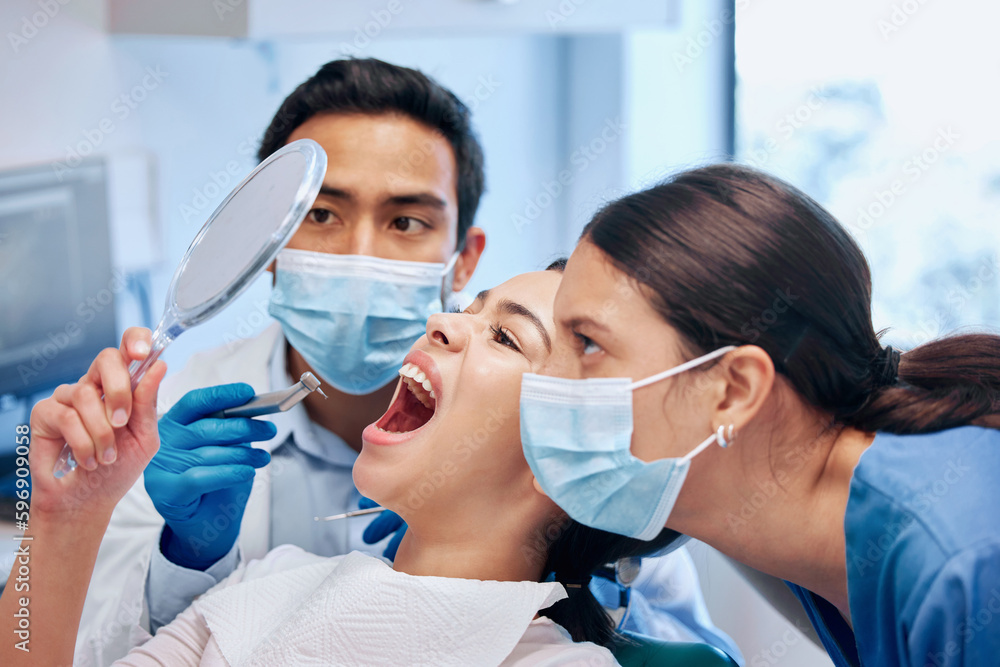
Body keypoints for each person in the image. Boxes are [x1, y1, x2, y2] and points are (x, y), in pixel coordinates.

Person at [77, 58, 738, 665]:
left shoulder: (579, 421)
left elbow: (688, 646)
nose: (359, 252)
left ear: (465, 255)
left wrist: (568, 576)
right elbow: (78, 643)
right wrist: (187, 559)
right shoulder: (183, 426)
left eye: (406, 222)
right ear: (270, 244)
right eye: (323, 213)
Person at [2, 268, 682, 666]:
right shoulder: (271, 583)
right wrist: (62, 519)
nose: (442, 321)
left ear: (564, 459)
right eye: (468, 308)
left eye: (504, 336)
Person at [519, 163, 1000, 667]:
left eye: (589, 343)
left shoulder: (964, 557)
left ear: (734, 390)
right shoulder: (796, 517)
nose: (540, 381)